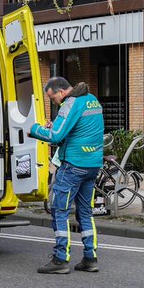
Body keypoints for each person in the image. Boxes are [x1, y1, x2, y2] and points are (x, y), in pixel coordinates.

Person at [29, 77, 104, 274]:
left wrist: (35, 130)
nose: (54, 102)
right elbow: (80, 130)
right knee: (85, 211)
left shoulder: (70, 103)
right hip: (93, 164)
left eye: (52, 97)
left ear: (61, 91)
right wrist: (56, 125)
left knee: (59, 209)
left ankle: (61, 259)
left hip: (74, 165)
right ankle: (90, 257)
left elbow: (56, 136)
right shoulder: (92, 100)